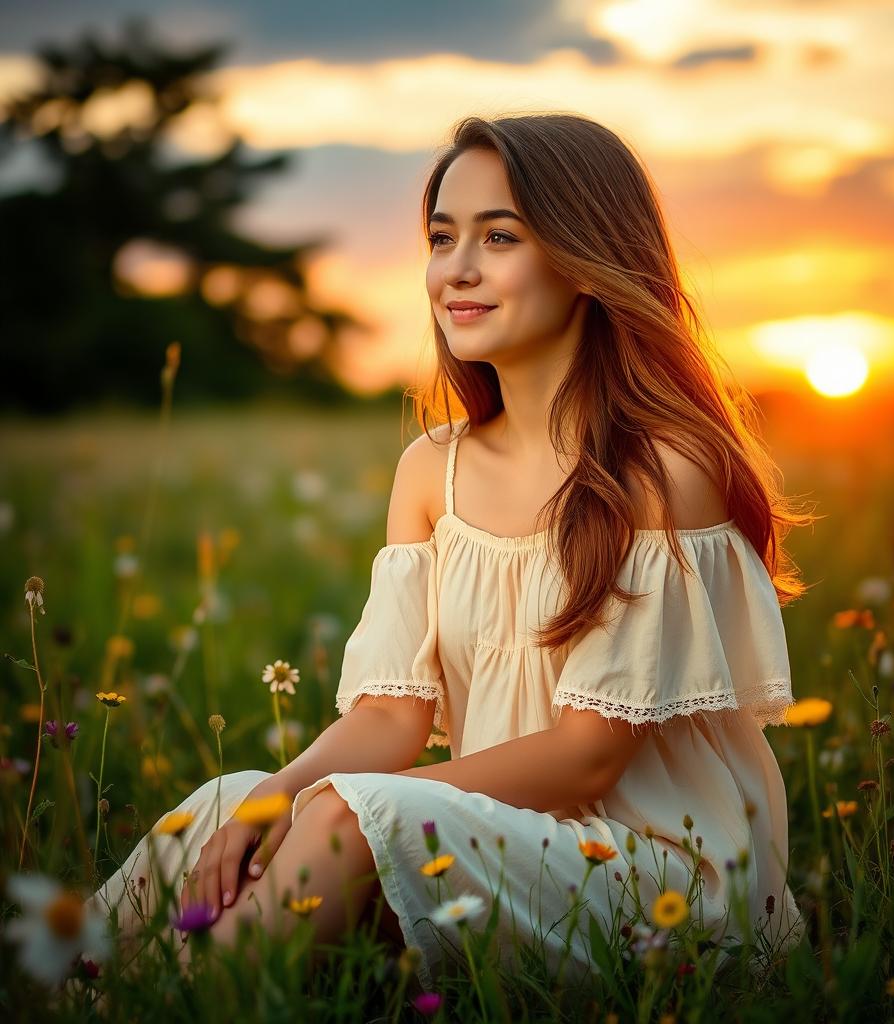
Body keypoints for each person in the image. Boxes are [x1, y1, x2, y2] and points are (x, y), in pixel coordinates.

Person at [89, 112, 814, 994]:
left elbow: (590, 756)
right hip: (502, 838)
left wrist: (338, 807)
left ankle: (190, 1004)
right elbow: (392, 718)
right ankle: (80, 989)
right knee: (226, 806)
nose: (456, 269)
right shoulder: (433, 469)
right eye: (442, 237)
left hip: (658, 879)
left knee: (353, 816)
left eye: (499, 236)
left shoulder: (663, 470)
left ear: (584, 259)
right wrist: (280, 792)